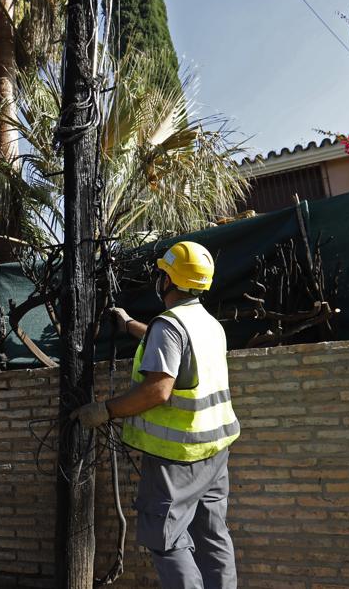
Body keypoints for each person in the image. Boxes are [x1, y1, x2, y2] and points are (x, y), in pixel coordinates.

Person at [72, 240, 239, 589]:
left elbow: (157, 390)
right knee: (213, 538)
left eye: (162, 272)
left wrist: (105, 410)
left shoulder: (170, 325)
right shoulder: (207, 323)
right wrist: (130, 323)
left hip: (177, 457)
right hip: (215, 451)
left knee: (167, 540)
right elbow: (171, 345)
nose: (158, 278)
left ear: (170, 280)